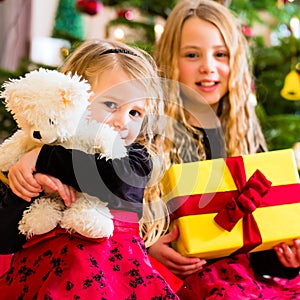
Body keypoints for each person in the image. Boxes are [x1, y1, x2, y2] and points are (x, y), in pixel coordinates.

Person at [0, 39, 179, 299]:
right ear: (71, 98)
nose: (122, 121)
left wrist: (44, 157)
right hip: (40, 277)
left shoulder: (136, 160)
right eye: (110, 105)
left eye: (135, 113)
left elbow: (117, 181)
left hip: (113, 282)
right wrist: (24, 188)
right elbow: (5, 239)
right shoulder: (33, 148)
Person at [148, 0, 300, 299]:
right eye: (192, 54)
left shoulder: (242, 131)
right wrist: (150, 248)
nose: (208, 66)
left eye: (221, 54)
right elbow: (115, 218)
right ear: (169, 61)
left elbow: (256, 243)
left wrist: (288, 260)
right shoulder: (147, 131)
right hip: (165, 277)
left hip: (237, 275)